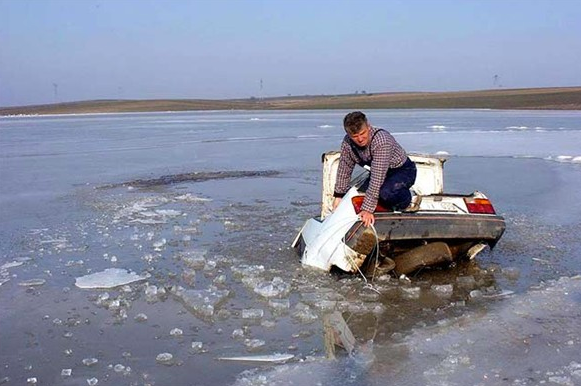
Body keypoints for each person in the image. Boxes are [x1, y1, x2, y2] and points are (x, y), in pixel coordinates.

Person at [332, 111, 420, 227]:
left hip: (402, 170)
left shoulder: (381, 141)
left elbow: (377, 177)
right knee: (357, 196)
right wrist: (339, 196)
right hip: (377, 172)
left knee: (386, 193)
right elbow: (344, 168)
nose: (360, 139)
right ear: (348, 135)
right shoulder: (347, 143)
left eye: (362, 133)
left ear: (368, 126)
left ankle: (408, 199)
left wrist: (367, 210)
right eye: (355, 136)